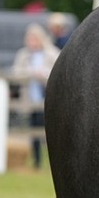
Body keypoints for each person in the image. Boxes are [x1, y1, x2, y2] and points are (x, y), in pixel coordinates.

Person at [11, 24, 60, 169]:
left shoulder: (52, 53)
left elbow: (58, 71)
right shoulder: (23, 55)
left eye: (35, 39)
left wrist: (43, 74)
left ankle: (55, 162)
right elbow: (16, 72)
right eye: (30, 39)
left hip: (48, 97)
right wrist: (30, 73)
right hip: (30, 97)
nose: (32, 42)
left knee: (51, 130)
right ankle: (36, 161)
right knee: (34, 129)